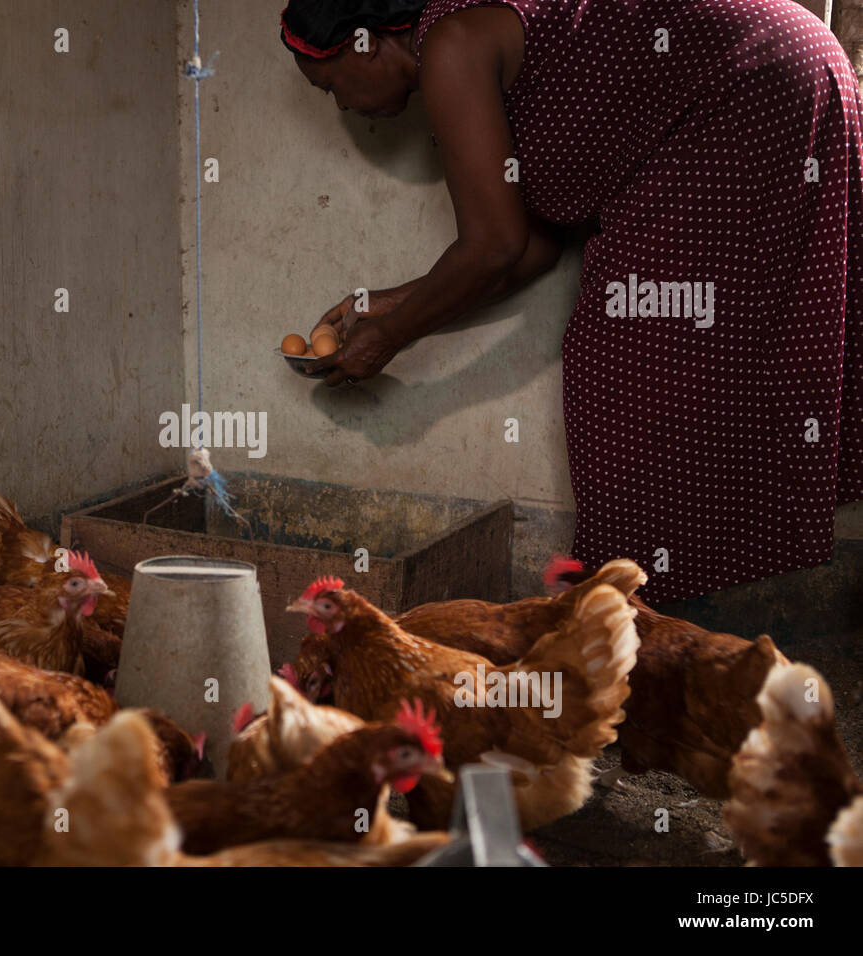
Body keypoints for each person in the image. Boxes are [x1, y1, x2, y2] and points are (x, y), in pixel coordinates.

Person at [283, 0, 863, 603]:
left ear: (364, 43)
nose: (343, 106)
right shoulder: (457, 37)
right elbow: (530, 245)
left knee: (622, 363)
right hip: (789, 62)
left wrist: (391, 337)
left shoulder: (450, 46)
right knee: (653, 363)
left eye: (330, 87)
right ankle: (636, 616)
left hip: (752, 89)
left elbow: (494, 248)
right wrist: (383, 305)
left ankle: (625, 618)